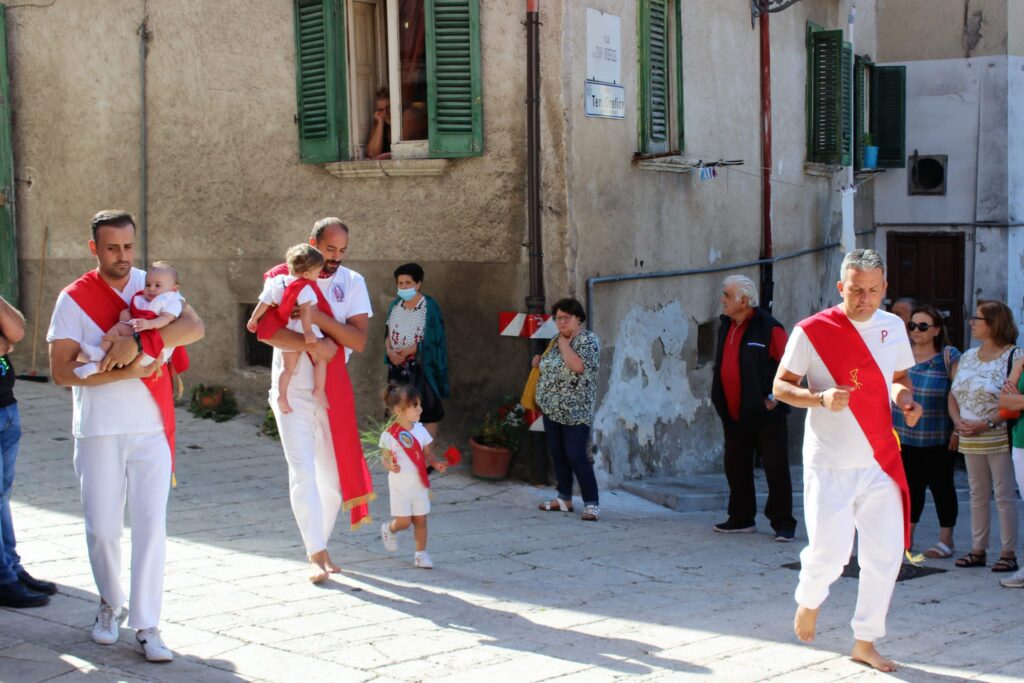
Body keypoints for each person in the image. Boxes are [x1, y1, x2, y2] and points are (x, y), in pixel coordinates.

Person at [47, 210, 205, 662]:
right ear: (94, 247)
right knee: (102, 529)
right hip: (97, 427)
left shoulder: (154, 284)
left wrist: (138, 345)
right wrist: (128, 371)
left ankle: (148, 623)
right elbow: (60, 373)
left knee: (152, 526)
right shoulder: (73, 298)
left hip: (151, 425)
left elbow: (194, 327)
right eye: (112, 247)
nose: (122, 256)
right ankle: (109, 604)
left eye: (129, 247)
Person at [773, 249, 921, 673]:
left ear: (884, 289)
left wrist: (905, 399)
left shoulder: (892, 327)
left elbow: (895, 380)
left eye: (874, 291)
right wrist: (818, 397)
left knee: (886, 555)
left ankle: (866, 640)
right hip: (830, 461)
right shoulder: (812, 330)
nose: (865, 299)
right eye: (857, 290)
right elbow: (781, 386)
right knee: (830, 553)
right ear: (842, 287)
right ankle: (809, 598)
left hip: (880, 460)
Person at [255, 217, 375, 584]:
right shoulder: (281, 277)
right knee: (302, 470)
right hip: (291, 389)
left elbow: (357, 340)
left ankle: (319, 541)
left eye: (342, 251)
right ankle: (315, 552)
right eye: (329, 250)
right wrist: (316, 343)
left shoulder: (352, 282)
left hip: (331, 387)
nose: (335, 258)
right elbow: (265, 330)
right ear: (312, 244)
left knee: (334, 481)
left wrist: (320, 320)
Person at [710, 275, 796, 541]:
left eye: (727, 295)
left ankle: (783, 523)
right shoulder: (726, 325)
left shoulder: (770, 328)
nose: (722, 299)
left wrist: (772, 398)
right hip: (734, 413)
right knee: (735, 466)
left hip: (765, 415)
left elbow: (792, 367)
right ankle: (740, 518)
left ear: (744, 300)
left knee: (775, 468)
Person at [949, 300, 1021, 574]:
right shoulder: (967, 356)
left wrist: (986, 423)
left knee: (1003, 494)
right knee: (977, 493)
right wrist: (958, 423)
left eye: (976, 318)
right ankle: (978, 549)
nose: (971, 322)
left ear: (993, 324)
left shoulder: (1014, 356)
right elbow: (953, 395)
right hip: (969, 435)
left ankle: (1008, 553)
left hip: (998, 434)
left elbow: (1012, 400)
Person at [0, 295, 57, 608]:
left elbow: (17, 331)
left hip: (7, 408)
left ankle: (11, 567)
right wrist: (4, 343)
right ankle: (2, 579)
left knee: (2, 496)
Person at [892, 305, 960, 558]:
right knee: (910, 490)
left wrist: (957, 429)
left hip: (937, 437)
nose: (916, 331)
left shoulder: (948, 357)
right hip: (903, 437)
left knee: (943, 487)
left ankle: (946, 541)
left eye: (923, 326)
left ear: (936, 330)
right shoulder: (901, 357)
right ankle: (906, 539)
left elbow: (960, 393)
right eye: (912, 326)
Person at [534, 298, 602, 521]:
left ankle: (591, 502)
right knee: (558, 453)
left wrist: (564, 344)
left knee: (576, 455)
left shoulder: (588, 341)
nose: (561, 322)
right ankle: (564, 498)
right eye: (558, 318)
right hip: (552, 409)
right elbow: (550, 365)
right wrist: (539, 361)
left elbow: (578, 366)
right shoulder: (555, 340)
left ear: (578, 318)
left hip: (575, 412)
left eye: (566, 318)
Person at [248, 244, 328, 414]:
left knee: (288, 368)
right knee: (321, 358)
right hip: (300, 326)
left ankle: (282, 397)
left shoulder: (278, 282)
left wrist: (253, 318)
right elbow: (306, 311)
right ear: (306, 274)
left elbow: (264, 302)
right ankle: (319, 391)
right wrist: (308, 332)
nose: (318, 275)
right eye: (317, 272)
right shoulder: (305, 287)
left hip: (286, 327)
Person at [74, 261, 185, 379]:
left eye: (157, 285)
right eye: (148, 285)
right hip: (141, 333)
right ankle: (98, 357)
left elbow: (165, 319)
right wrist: (126, 315)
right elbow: (137, 312)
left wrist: (149, 324)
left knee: (119, 336)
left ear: (174, 289)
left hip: (152, 345)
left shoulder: (172, 300)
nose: (151, 288)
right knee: (117, 334)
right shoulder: (145, 298)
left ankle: (99, 356)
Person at [378, 383, 447, 568]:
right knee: (404, 522)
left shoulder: (420, 430)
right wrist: (390, 465)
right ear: (399, 410)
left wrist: (435, 463)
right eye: (415, 406)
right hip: (400, 485)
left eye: (419, 405)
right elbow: (384, 458)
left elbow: (428, 454)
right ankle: (390, 529)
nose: (420, 409)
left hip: (419, 483)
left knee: (421, 519)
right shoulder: (389, 434)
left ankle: (421, 554)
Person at [384, 263, 449, 438]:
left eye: (408, 283)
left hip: (422, 368)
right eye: (400, 283)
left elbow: (435, 338)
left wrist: (411, 350)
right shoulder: (395, 306)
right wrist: (390, 351)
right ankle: (405, 453)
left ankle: (426, 458)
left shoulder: (429, 306)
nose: (404, 287)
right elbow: (387, 333)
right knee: (400, 410)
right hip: (398, 367)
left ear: (418, 284)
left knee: (427, 411)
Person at [997, 351, 1024, 588]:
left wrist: (1019, 399)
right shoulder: (1021, 361)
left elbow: (1013, 400)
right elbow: (1005, 404)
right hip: (1021, 444)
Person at [366, 87, 391, 159]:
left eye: (388, 107)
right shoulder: (378, 124)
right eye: (381, 110)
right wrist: (380, 122)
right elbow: (372, 154)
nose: (386, 112)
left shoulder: (403, 122)